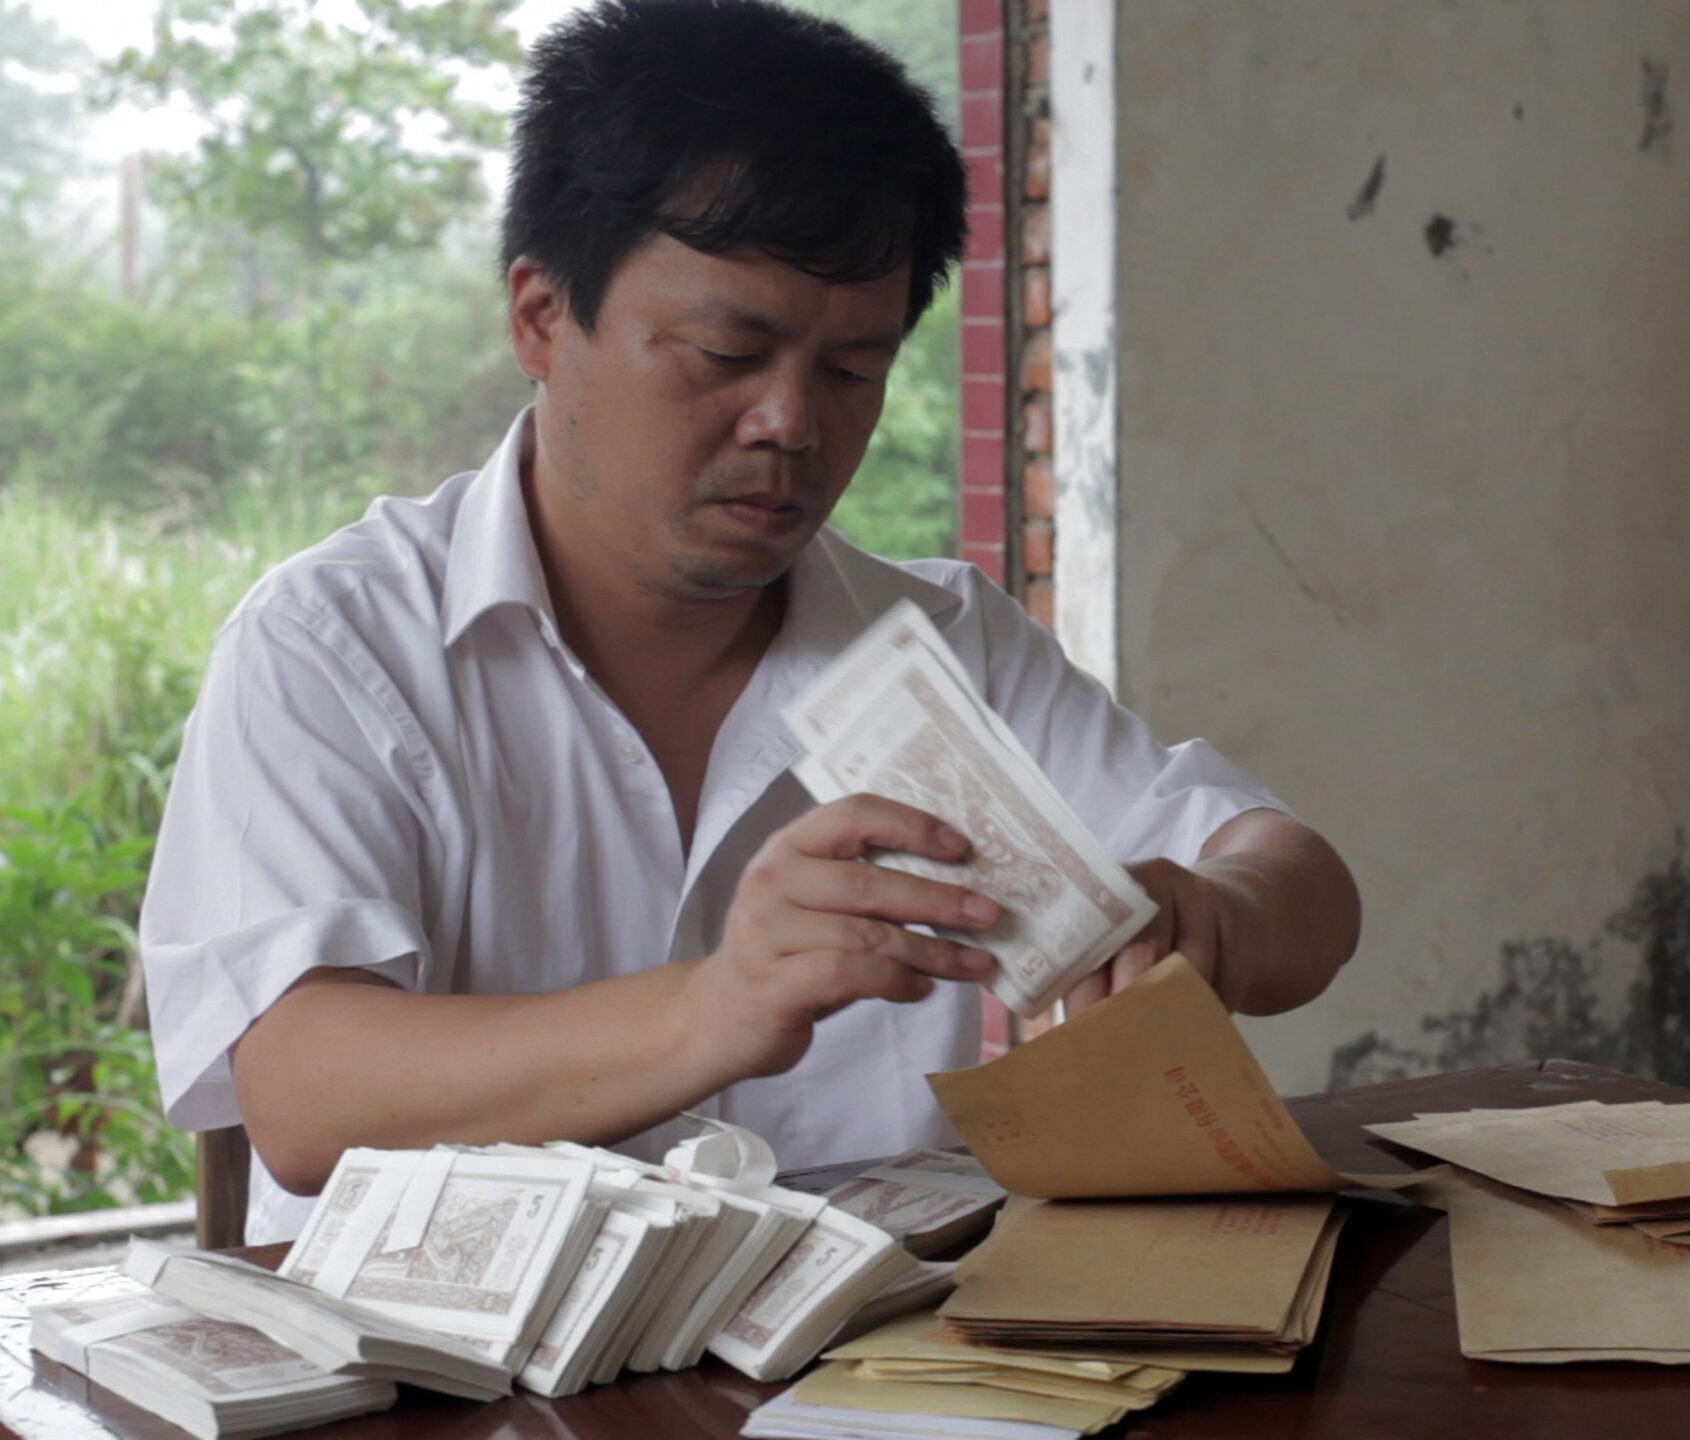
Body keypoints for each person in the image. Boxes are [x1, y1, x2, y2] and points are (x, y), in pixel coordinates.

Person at [139, 0, 1360, 1246]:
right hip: (448, 1358)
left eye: (851, 370)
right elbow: (303, 1093)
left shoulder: (938, 645)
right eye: (728, 352)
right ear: (541, 317)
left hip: (870, 1345)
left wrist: (1213, 916)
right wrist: (713, 1008)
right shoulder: (337, 645)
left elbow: (1295, 877)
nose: (791, 423)